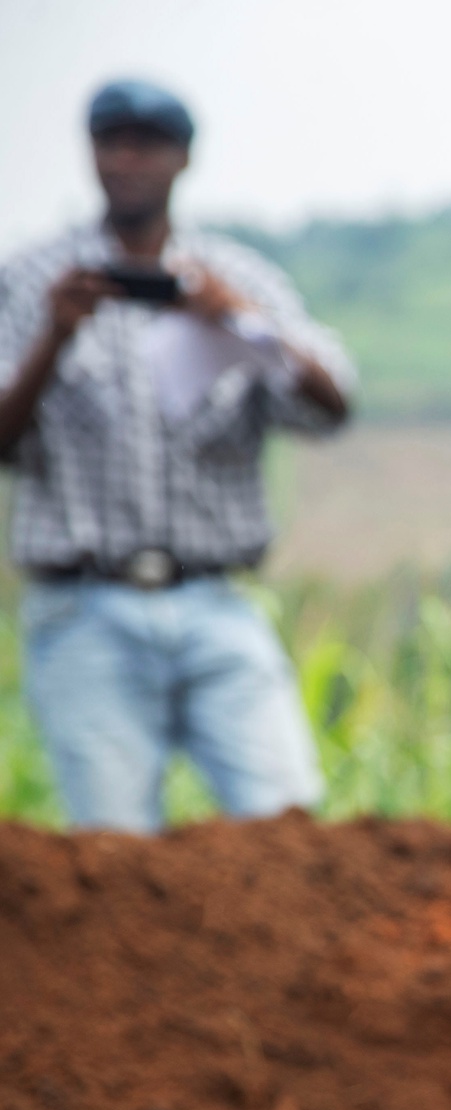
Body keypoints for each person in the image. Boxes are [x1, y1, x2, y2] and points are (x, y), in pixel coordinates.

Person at [0, 80, 353, 832]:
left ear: (182, 158)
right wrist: (52, 339)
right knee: (117, 861)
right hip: (83, 610)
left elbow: (334, 402)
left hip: (217, 601)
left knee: (288, 833)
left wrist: (241, 323)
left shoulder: (238, 279)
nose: (127, 160)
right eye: (111, 142)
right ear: (90, 153)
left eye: (146, 144)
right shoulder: (31, 282)